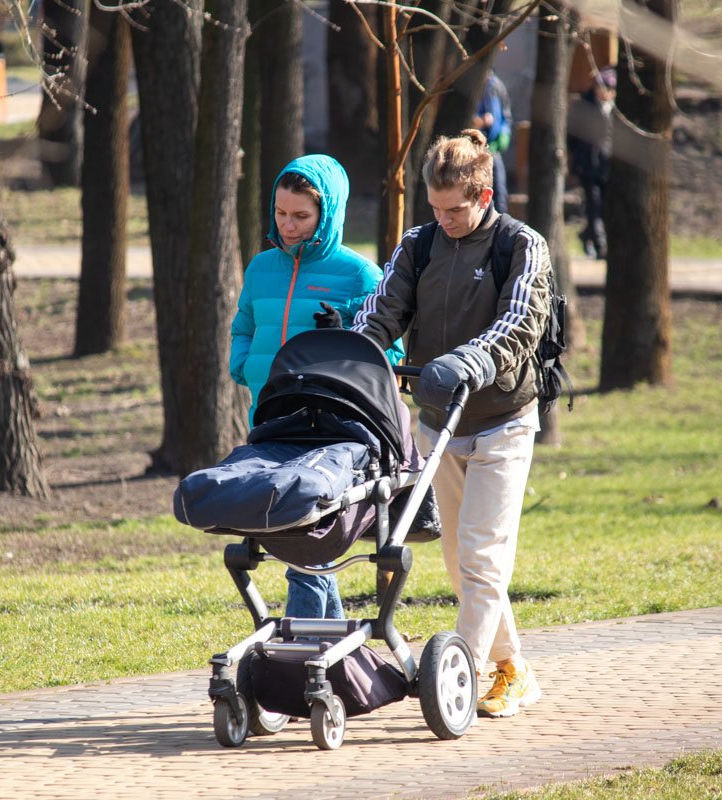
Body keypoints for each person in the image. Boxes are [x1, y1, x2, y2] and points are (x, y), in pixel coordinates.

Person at [352, 129, 550, 718]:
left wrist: (467, 361)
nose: (444, 220)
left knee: (483, 556)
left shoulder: (521, 247)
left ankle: (455, 678)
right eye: (434, 209)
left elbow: (519, 324)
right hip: (439, 423)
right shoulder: (420, 245)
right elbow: (381, 311)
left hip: (502, 421)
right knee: (461, 561)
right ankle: (513, 670)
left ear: (484, 195)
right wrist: (355, 353)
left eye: (454, 209)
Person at [230, 154, 404, 621]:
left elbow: (393, 354)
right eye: (281, 213)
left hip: (329, 425)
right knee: (303, 537)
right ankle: (327, 648)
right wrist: (243, 365)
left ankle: (306, 643)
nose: (288, 225)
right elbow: (244, 325)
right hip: (270, 415)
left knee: (305, 530)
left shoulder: (360, 275)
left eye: (301, 217)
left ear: (327, 214)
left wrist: (343, 340)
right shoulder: (261, 268)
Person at [567, 66, 616, 260]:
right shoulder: (584, 106)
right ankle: (600, 244)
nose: (604, 92)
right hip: (588, 166)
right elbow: (572, 136)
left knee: (604, 206)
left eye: (609, 89)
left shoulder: (614, 110)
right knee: (593, 204)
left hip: (608, 167)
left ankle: (587, 234)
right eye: (601, 87)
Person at [472, 70, 512, 214]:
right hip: (474, 150)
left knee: (499, 191)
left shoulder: (495, 86)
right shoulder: (473, 86)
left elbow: (504, 118)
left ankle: (500, 222)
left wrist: (503, 135)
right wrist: (479, 121)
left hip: (493, 148)